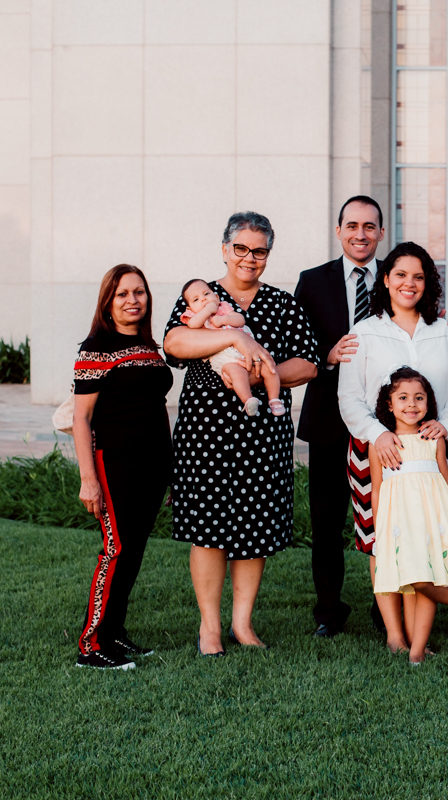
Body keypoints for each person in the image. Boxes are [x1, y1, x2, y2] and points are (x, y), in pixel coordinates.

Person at [296, 196, 448, 638]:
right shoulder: (315, 284)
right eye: (352, 225)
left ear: (380, 233)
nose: (360, 233)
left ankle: (400, 615)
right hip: (349, 428)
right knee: (340, 526)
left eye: (370, 226)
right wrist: (327, 358)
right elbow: (300, 346)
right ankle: (333, 613)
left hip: (419, 437)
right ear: (339, 230)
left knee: (414, 529)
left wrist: (445, 422)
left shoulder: (436, 326)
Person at [163, 211, 319, 656]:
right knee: (208, 528)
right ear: (225, 249)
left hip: (263, 430)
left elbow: (307, 362)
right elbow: (175, 344)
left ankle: (242, 624)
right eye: (241, 249)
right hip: (206, 431)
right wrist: (239, 343)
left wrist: (256, 364)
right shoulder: (201, 298)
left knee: (254, 529)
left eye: (260, 250)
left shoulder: (282, 303)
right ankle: (209, 628)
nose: (250, 258)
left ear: (269, 254)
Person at [337, 241, 448, 653]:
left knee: (425, 540)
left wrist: (444, 425)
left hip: (429, 452)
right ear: (386, 280)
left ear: (428, 282)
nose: (408, 283)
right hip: (376, 450)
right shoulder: (365, 332)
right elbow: (349, 397)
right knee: (383, 540)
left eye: (418, 276)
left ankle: (420, 635)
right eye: (400, 275)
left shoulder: (444, 333)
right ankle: (395, 635)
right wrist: (376, 434)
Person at [72, 264, 173, 670]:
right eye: (123, 294)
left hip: (153, 464)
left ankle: (114, 632)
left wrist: (167, 471)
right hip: (115, 463)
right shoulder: (96, 348)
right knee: (115, 550)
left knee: (132, 552)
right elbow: (81, 418)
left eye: (140, 292)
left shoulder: (150, 347)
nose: (133, 300)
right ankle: (91, 644)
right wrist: (88, 480)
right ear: (108, 303)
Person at [368, 367, 448, 664]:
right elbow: (376, 489)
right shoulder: (379, 444)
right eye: (402, 397)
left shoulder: (433, 438)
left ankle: (416, 653)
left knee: (427, 577)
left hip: (432, 519)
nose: (411, 404)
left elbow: (446, 480)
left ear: (428, 402)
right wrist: (380, 528)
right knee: (413, 580)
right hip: (400, 523)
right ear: (389, 404)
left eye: (419, 398)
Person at [179, 278, 285, 417]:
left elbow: (240, 319)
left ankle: (274, 399)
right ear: (189, 309)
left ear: (216, 297)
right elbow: (193, 325)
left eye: (206, 294)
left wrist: (223, 319)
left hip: (248, 350)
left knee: (269, 368)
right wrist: (207, 311)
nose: (204, 300)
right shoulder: (195, 316)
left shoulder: (224, 308)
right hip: (225, 357)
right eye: (196, 300)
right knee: (236, 373)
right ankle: (248, 400)